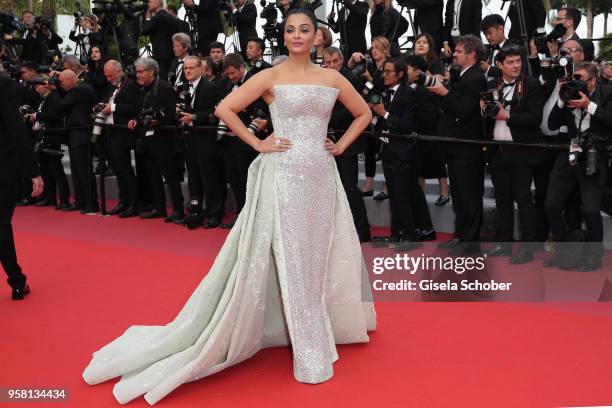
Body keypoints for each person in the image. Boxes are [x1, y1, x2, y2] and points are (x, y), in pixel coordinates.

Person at [83, 8, 376, 404]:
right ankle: (312, 353)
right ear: (285, 36)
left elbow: (364, 113)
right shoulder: (270, 76)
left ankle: (321, 328)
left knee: (317, 256)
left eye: (304, 29)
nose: (296, 36)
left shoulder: (333, 77)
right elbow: (225, 109)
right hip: (285, 176)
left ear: (317, 36)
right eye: (290, 30)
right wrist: (259, 143)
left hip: (321, 177)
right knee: (292, 260)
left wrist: (339, 146)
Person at [481, 46, 546, 264]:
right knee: (502, 200)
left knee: (524, 199)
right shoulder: (492, 85)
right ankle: (504, 243)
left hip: (522, 151)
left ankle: (527, 248)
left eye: (518, 61)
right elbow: (486, 118)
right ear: (499, 65)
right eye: (510, 62)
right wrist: (483, 109)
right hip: (498, 151)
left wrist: (505, 114)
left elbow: (535, 118)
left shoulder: (532, 84)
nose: (516, 65)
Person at [545, 62, 612, 271]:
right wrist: (562, 98)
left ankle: (593, 258)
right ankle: (566, 251)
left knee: (591, 210)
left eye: (580, 78)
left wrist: (588, 106)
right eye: (574, 77)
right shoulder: (569, 94)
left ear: (592, 81)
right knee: (551, 205)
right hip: (570, 156)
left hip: (594, 156)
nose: (575, 82)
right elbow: (552, 124)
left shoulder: (608, 93)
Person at [427, 35, 487, 255]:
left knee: (469, 195)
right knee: (460, 195)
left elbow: (464, 110)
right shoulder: (462, 75)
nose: (454, 54)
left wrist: (445, 92)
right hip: (455, 146)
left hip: (467, 148)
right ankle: (461, 235)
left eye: (459, 51)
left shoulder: (476, 77)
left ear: (471, 54)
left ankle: (470, 241)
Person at [0, 75, 44, 300]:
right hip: (3, 164)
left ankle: (17, 280)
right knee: (2, 225)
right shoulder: (4, 83)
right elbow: (16, 128)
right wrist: (33, 171)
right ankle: (16, 280)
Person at [323, 46, 371, 242]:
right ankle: (344, 229)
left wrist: (327, 118)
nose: (332, 65)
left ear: (341, 60)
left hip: (349, 140)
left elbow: (355, 111)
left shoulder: (351, 79)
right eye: (328, 63)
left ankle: (362, 230)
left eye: (335, 61)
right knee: (336, 188)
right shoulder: (324, 79)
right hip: (330, 139)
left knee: (350, 188)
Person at [178, 56, 224, 228]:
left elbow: (215, 112)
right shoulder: (183, 87)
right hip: (189, 140)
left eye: (191, 68)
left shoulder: (210, 87)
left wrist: (195, 117)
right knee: (194, 178)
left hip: (206, 141)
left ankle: (215, 213)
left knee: (210, 178)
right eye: (185, 69)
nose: (188, 71)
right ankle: (195, 211)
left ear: (201, 69)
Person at [99, 60, 144, 218]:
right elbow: (108, 103)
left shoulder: (131, 86)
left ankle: (133, 204)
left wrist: (113, 107)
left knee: (125, 170)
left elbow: (135, 108)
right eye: (106, 76)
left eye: (110, 75)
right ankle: (123, 201)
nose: (108, 79)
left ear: (119, 72)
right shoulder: (112, 87)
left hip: (123, 133)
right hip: (111, 132)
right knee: (118, 170)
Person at [142, 0, 179, 80]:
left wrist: (148, 17)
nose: (147, 4)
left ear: (158, 2)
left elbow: (144, 31)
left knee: (163, 82)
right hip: (171, 55)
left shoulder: (158, 17)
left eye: (149, 1)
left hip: (161, 57)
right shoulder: (170, 17)